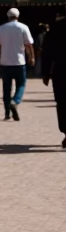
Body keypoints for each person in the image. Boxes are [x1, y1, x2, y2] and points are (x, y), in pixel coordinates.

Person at [0, 7, 34, 121]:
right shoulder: (23, 27)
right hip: (19, 62)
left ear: (8, 16)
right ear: (18, 16)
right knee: (21, 84)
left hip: (5, 62)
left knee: (6, 88)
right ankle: (15, 101)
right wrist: (32, 57)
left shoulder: (2, 28)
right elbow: (29, 44)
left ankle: (7, 113)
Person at [41, 8, 66, 148]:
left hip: (61, 70)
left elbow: (47, 52)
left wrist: (45, 73)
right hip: (60, 70)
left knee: (62, 102)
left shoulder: (55, 28)